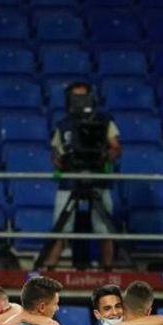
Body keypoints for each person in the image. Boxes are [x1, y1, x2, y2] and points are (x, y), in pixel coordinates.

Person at [43, 81, 122, 269]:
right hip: (69, 181)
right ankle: (48, 269)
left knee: (105, 228)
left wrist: (106, 156)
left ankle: (107, 270)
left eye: (83, 96)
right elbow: (55, 152)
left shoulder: (104, 121)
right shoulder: (63, 125)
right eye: (75, 97)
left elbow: (116, 147)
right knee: (61, 228)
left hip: (98, 180)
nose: (79, 101)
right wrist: (59, 160)